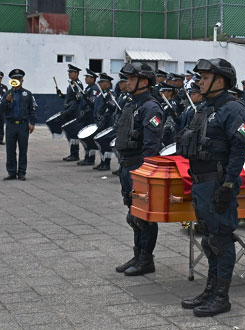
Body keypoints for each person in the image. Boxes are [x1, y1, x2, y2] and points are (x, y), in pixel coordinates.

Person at [178, 58, 245, 317]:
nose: (200, 81)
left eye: (205, 77)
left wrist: (229, 184)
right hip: (201, 183)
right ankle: (210, 290)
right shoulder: (205, 108)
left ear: (220, 80)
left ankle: (221, 296)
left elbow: (239, 149)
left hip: (218, 183)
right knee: (209, 240)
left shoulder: (234, 109)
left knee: (221, 239)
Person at [113, 62, 163, 277]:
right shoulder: (131, 104)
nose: (127, 82)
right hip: (126, 165)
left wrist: (143, 174)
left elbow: (151, 147)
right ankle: (137, 254)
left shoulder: (151, 108)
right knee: (133, 214)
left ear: (144, 82)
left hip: (138, 166)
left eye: (132, 79)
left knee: (144, 216)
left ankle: (146, 259)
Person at [0, 69, 36, 181]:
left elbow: (33, 109)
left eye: (19, 79)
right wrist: (7, 101)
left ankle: (21, 172)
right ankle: (11, 172)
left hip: (23, 125)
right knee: (10, 150)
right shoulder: (7, 94)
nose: (17, 81)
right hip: (11, 125)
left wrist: (32, 123)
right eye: (15, 79)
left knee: (23, 150)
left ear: (22, 80)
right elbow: (1, 108)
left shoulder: (27, 94)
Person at [57, 64, 84, 161]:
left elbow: (77, 101)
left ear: (76, 73)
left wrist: (68, 111)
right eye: (69, 72)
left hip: (73, 112)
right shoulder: (72, 84)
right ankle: (72, 153)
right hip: (69, 111)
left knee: (73, 134)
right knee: (69, 134)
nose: (69, 74)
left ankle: (75, 154)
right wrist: (62, 96)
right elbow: (71, 98)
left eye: (71, 72)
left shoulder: (77, 85)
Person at [76, 69, 101, 166]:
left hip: (89, 117)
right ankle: (87, 157)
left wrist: (85, 113)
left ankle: (90, 158)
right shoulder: (87, 88)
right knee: (85, 138)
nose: (86, 79)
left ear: (92, 78)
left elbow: (92, 104)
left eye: (87, 77)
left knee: (89, 138)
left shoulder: (94, 89)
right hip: (85, 116)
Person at [92, 73, 117, 171]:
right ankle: (102, 161)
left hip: (107, 121)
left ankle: (106, 163)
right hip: (99, 121)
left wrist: (103, 117)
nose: (100, 84)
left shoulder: (111, 94)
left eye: (102, 82)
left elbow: (110, 108)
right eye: (100, 82)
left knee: (105, 143)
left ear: (108, 83)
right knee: (100, 143)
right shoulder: (101, 93)